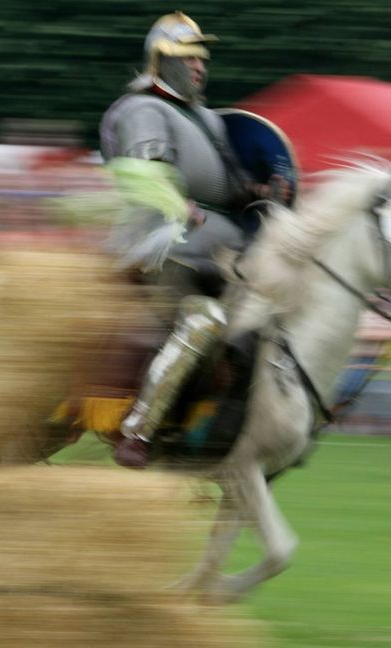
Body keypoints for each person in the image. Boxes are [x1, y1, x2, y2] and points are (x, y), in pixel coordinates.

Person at [99, 12, 283, 468]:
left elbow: (228, 188)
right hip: (166, 254)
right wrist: (174, 202)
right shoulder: (143, 109)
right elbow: (141, 172)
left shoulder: (207, 119)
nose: (199, 65)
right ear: (162, 60)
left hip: (224, 259)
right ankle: (138, 432)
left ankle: (217, 438)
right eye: (188, 56)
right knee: (202, 323)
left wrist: (262, 191)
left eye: (202, 57)